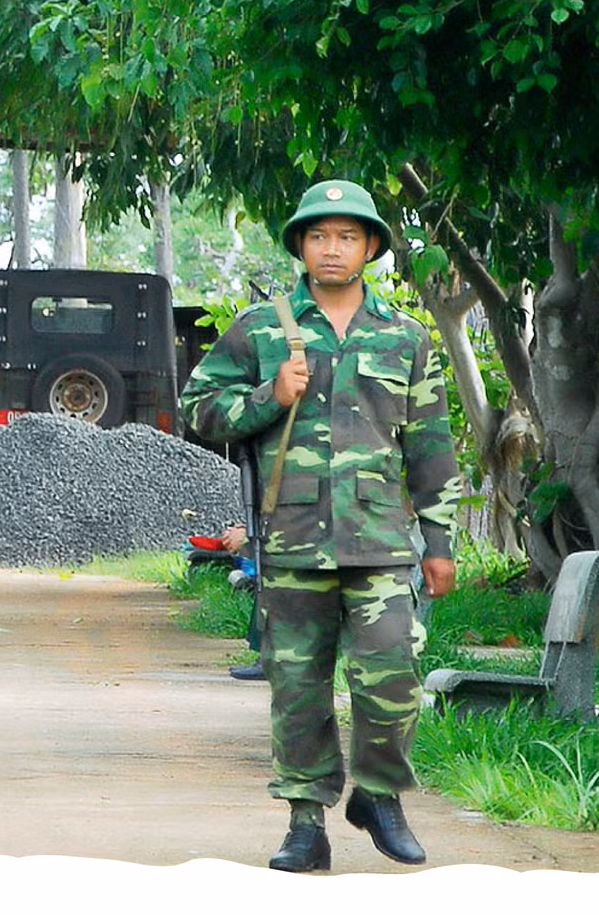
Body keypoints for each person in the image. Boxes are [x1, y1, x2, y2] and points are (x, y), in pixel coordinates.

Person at [180, 178, 461, 873]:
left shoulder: (404, 337)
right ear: (300, 246)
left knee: (392, 675)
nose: (331, 248)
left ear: (370, 248)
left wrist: (439, 543)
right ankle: (305, 823)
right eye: (318, 235)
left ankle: (379, 794)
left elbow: (431, 446)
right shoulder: (261, 328)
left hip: (380, 541)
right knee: (298, 687)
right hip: (293, 538)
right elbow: (198, 408)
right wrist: (268, 396)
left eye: (346, 236)